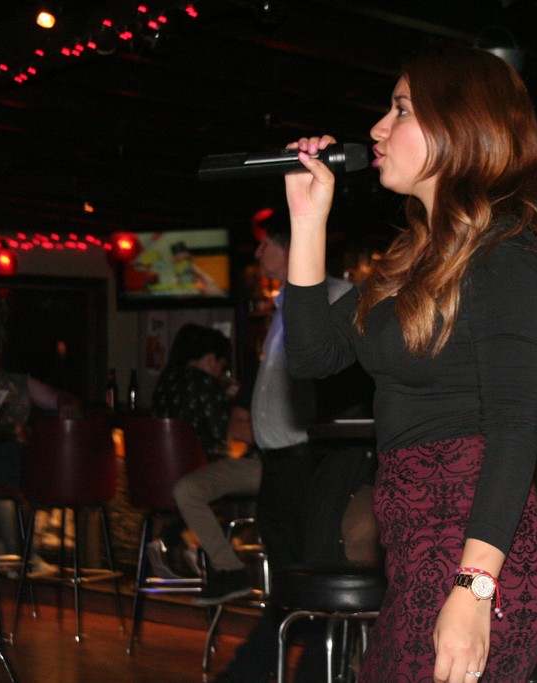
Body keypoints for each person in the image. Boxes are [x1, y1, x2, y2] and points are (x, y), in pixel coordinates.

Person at [281, 43, 537, 682]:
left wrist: (473, 591)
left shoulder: (506, 256)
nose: (378, 128)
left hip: (480, 561)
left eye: (401, 109)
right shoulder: (411, 262)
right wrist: (308, 221)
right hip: (416, 551)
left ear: (457, 126)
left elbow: (515, 429)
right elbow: (311, 355)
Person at [212, 209, 353, 683]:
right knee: (291, 580)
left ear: (292, 246)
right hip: (279, 462)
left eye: (265, 244)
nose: (256, 253)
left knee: (305, 578)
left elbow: (341, 384)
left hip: (311, 463)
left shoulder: (334, 297)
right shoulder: (287, 303)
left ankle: (269, 672)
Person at [149, 322, 260, 604]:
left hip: (159, 477)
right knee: (242, 474)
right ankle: (214, 552)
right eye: (222, 365)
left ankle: (183, 540)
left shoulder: (164, 383)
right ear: (211, 359)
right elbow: (225, 433)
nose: (222, 372)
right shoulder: (205, 385)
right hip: (198, 472)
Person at [0, 323, 79, 554]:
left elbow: (57, 398)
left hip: (9, 459)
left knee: (11, 478)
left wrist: (65, 404)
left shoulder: (19, 382)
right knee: (7, 470)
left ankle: (10, 553)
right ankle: (17, 552)